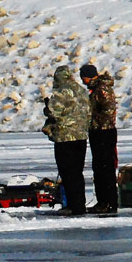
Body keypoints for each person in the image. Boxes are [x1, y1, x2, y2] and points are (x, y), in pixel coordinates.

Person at [43, 65, 91, 216]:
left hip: (65, 138)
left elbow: (53, 111)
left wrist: (46, 107)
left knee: (67, 172)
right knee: (77, 172)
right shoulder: (82, 90)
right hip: (81, 137)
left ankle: (72, 205)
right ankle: (80, 204)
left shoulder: (62, 91)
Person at [80, 65, 118, 216]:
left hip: (104, 131)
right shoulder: (96, 89)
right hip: (99, 131)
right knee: (99, 168)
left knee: (105, 168)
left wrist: (94, 119)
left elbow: (108, 109)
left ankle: (109, 202)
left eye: (83, 76)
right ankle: (103, 201)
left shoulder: (102, 88)